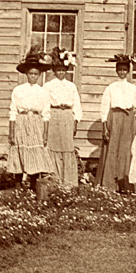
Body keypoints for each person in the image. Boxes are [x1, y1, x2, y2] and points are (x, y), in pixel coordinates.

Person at [7, 50, 56, 191]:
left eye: (35, 74)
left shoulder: (43, 91)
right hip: (21, 121)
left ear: (39, 75)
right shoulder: (18, 90)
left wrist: (45, 133)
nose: (33, 76)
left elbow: (46, 113)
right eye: (30, 74)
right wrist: (11, 132)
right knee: (19, 150)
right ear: (26, 74)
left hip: (36, 122)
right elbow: (13, 111)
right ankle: (18, 185)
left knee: (35, 153)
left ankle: (34, 185)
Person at [96, 53, 136, 193]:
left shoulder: (134, 88)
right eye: (120, 70)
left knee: (127, 150)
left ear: (128, 71)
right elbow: (104, 109)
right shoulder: (111, 87)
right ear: (116, 71)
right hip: (114, 118)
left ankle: (126, 184)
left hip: (129, 119)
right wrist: (105, 127)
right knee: (112, 149)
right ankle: (110, 184)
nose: (122, 72)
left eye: (124, 70)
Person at [44, 47, 83, 186]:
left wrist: (75, 122)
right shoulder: (48, 86)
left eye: (63, 70)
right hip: (54, 115)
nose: (61, 73)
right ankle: (54, 181)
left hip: (67, 116)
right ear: (54, 71)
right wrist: (46, 122)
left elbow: (76, 105)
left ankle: (68, 182)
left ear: (66, 71)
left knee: (67, 148)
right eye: (58, 70)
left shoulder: (71, 86)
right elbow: (45, 105)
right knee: (53, 147)